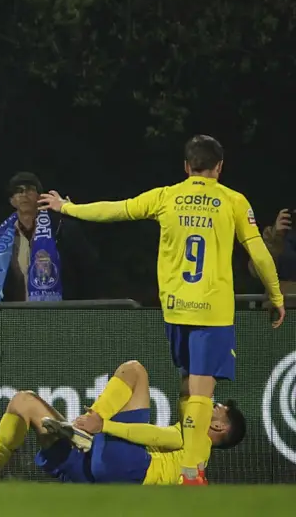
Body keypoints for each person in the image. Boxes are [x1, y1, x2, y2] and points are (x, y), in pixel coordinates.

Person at [38, 135, 285, 484]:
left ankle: (188, 463)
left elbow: (115, 209)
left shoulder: (166, 196)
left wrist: (68, 208)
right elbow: (258, 252)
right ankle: (191, 470)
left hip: (176, 309)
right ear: (219, 167)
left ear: (186, 166)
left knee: (187, 389)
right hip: (212, 310)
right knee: (202, 392)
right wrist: (275, 294)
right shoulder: (232, 201)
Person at [0, 360, 247, 485]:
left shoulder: (199, 447)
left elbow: (154, 430)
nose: (210, 404)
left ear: (219, 427)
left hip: (128, 467)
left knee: (135, 371)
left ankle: (86, 427)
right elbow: (185, 393)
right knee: (23, 402)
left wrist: (103, 424)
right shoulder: (187, 444)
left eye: (216, 408)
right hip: (95, 472)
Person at [0, 172, 99, 303]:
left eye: (29, 189)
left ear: (39, 197)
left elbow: (89, 270)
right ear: (12, 201)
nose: (24, 194)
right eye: (18, 191)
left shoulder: (62, 229)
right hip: (16, 316)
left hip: (60, 313)